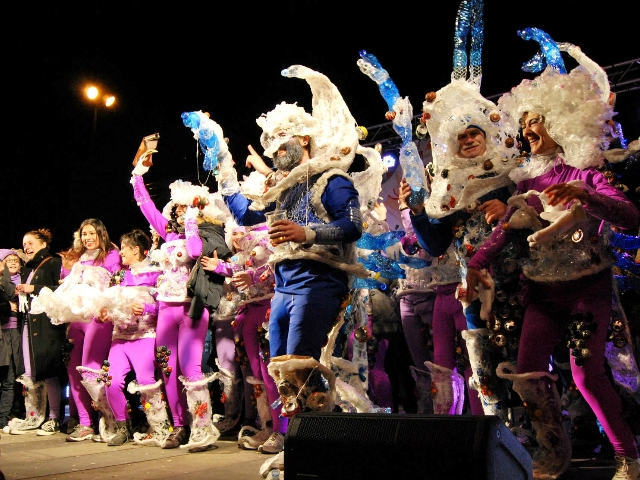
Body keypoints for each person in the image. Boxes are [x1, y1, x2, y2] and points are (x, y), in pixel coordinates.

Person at [465, 38, 640, 479]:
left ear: (561, 122)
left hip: (588, 288)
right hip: (541, 293)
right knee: (527, 375)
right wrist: (477, 261)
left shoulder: (586, 170)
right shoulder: (523, 180)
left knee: (586, 376)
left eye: (536, 122)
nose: (527, 131)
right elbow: (506, 233)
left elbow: (631, 217)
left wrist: (585, 195)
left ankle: (628, 455)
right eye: (524, 125)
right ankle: (552, 454)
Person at [216, 65, 368, 476]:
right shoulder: (284, 187)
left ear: (303, 139)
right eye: (271, 145)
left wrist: (306, 231)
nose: (274, 151)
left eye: (281, 142)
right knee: (283, 368)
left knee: (303, 364)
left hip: (318, 282)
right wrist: (224, 168)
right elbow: (247, 214)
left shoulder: (331, 178)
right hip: (284, 287)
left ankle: (317, 449)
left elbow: (353, 224)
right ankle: (299, 445)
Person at [131, 137, 232, 452]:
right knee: (166, 366)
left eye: (186, 206)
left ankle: (202, 427)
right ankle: (178, 426)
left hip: (192, 312)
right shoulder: (166, 232)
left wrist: (192, 221)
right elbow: (145, 205)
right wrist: (138, 174)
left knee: (191, 368)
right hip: (165, 313)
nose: (179, 211)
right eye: (177, 207)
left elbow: (194, 251)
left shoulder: (204, 232)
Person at [96, 229, 167, 447]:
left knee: (146, 382)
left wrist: (146, 308)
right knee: (111, 380)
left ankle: (159, 427)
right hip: (119, 338)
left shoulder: (156, 274)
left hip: (144, 336)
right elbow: (109, 305)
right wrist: (104, 313)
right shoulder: (119, 276)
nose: (121, 253)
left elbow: (164, 304)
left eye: (124, 248)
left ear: (135, 249)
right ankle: (122, 427)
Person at [59, 219, 122, 443]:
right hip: (76, 319)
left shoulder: (111, 255)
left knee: (90, 369)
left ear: (101, 234)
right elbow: (66, 286)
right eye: (84, 233)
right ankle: (85, 424)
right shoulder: (76, 258)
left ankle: (110, 419)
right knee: (73, 372)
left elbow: (117, 284)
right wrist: (66, 268)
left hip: (98, 318)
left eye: (92, 233)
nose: (87, 237)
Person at [3, 229, 67, 436]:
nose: (26, 247)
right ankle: (34, 415)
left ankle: (54, 418)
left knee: (49, 371)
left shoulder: (52, 262)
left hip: (46, 325)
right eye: (24, 243)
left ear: (43, 244)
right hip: (28, 324)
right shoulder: (26, 267)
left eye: (30, 242)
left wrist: (34, 288)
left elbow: (59, 290)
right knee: (30, 373)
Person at [0, 249, 26, 430]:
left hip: (18, 331)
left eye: (16, 260)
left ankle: (16, 413)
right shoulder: (4, 281)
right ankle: (3, 418)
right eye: (8, 260)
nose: (13, 263)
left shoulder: (25, 279)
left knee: (19, 374)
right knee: (7, 377)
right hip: (3, 332)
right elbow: (7, 295)